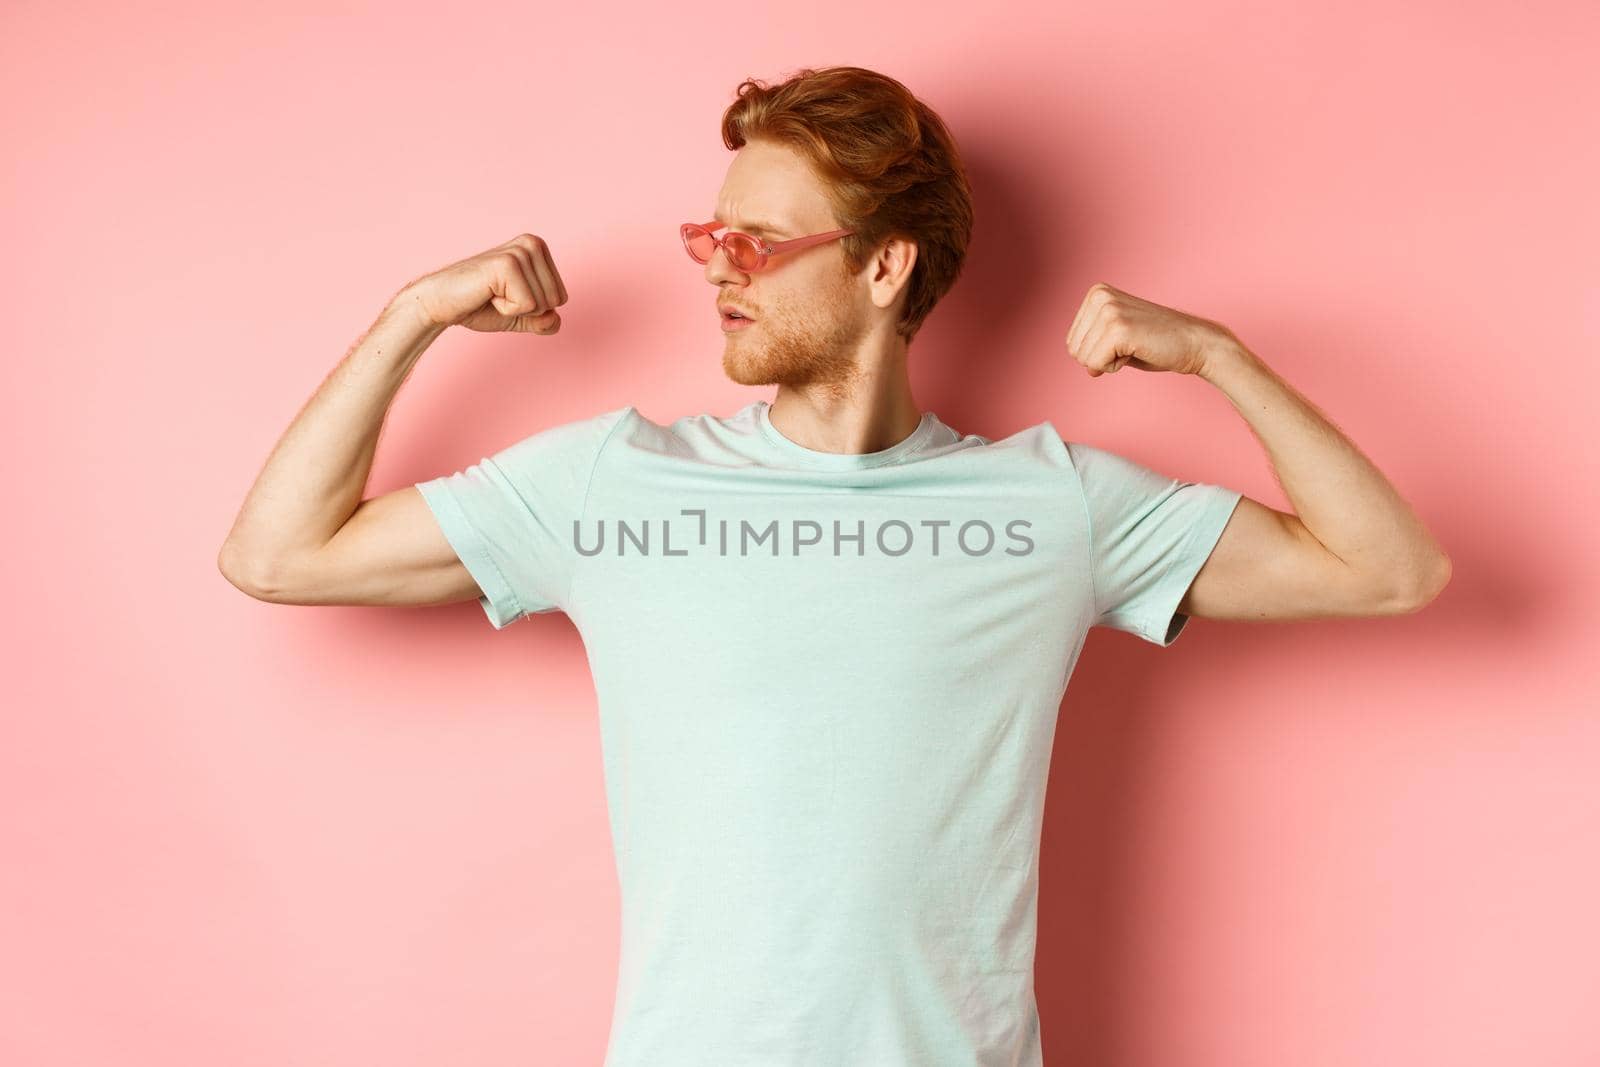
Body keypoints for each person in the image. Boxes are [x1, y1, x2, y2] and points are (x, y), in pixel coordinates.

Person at [218, 65, 1450, 1067]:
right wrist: (410, 317)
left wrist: (1219, 358)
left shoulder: (1046, 506)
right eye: (710, 231)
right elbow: (277, 553)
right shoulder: (611, 486)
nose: (712, 264)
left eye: (754, 241)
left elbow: (1388, 569)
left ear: (882, 266)